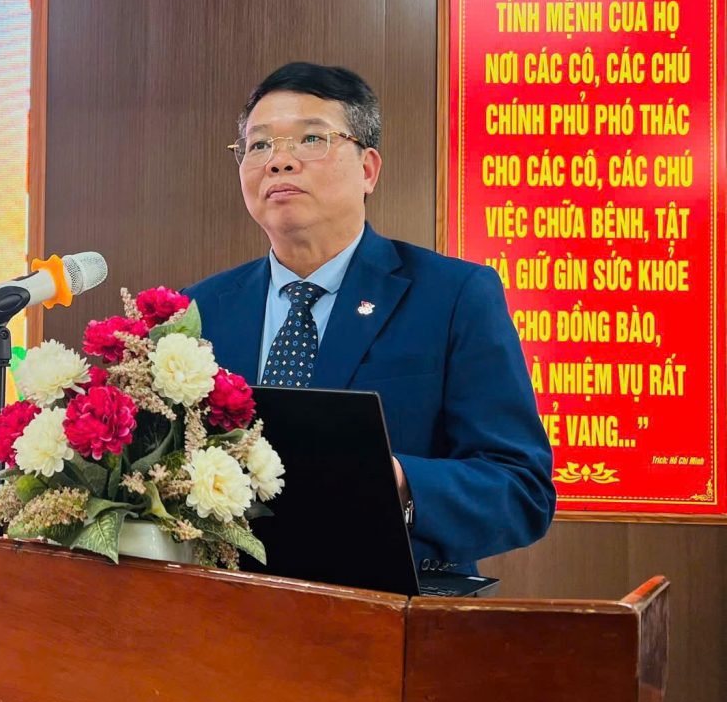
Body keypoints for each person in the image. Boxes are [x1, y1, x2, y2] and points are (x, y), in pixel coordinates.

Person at [183, 62, 555, 571]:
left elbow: (521, 489)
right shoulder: (198, 311)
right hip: (223, 601)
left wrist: (399, 480)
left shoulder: (453, 296)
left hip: (382, 603)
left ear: (368, 169)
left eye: (310, 139)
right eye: (260, 144)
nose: (279, 162)